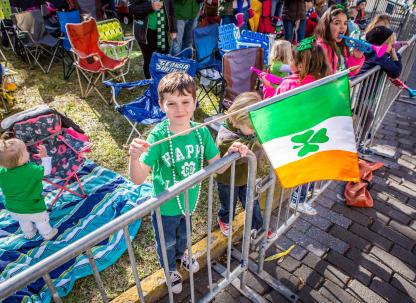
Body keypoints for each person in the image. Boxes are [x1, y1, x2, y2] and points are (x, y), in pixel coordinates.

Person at [128, 72, 248, 294]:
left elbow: (218, 167)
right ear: (162, 105)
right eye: (171, 103)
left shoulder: (201, 133)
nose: (179, 109)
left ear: (195, 103)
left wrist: (231, 153)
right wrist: (134, 157)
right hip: (164, 206)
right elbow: (137, 178)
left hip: (188, 202)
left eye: (185, 102)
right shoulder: (157, 137)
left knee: (184, 236)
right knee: (167, 242)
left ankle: (182, 255)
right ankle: (169, 268)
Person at [261, 37, 331, 214]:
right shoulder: (323, 83)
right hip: (314, 133)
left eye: (292, 59)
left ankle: (296, 199)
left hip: (293, 135)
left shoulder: (289, 84)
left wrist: (268, 87)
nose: (289, 62)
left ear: (300, 65)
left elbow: (273, 108)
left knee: (301, 167)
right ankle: (304, 193)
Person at [216, 92, 276, 240]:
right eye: (252, 127)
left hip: (246, 176)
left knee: (252, 202)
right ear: (238, 120)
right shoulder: (225, 137)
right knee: (228, 203)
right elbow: (247, 154)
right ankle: (224, 219)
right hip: (228, 178)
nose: (256, 130)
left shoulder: (247, 127)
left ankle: (259, 227)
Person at [0, 138, 58, 240]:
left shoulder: (2, 172)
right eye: (25, 151)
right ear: (21, 158)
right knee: (41, 221)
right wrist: (45, 157)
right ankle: (48, 234)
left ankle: (29, 233)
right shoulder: (31, 169)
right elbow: (46, 171)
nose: (28, 152)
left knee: (23, 220)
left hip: (13, 208)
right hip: (33, 206)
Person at [129, 0, 177, 79]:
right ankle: (150, 83)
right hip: (145, 32)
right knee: (149, 59)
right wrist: (150, 6)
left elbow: (171, 8)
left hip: (161, 30)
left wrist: (173, 28)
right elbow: (132, 8)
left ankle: (162, 82)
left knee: (163, 58)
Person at [315, 5, 364, 77]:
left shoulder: (342, 46)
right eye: (337, 23)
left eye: (345, 23)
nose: (342, 27)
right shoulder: (319, 48)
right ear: (326, 25)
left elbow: (348, 73)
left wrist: (356, 58)